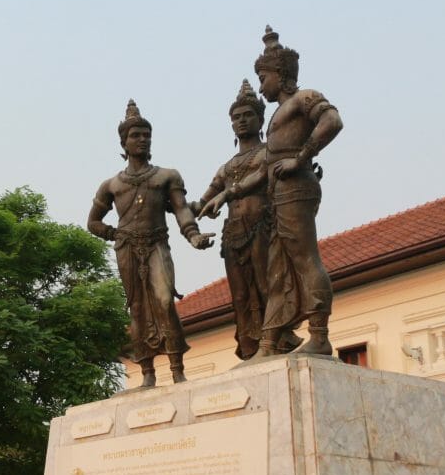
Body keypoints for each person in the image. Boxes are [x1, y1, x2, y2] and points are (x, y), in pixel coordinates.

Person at [88, 100, 215, 387]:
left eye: (146, 135)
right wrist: (113, 234)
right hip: (128, 249)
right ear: (124, 142)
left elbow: (181, 208)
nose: (142, 140)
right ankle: (146, 371)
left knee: (163, 300)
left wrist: (193, 235)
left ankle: (177, 367)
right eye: (136, 135)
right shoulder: (112, 185)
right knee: (137, 308)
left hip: (157, 244)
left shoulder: (166, 176)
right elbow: (92, 222)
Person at [249, 26, 343, 357]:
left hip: (296, 188)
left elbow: (332, 121)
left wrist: (300, 158)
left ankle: (319, 335)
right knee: (276, 269)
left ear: (281, 73)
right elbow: (262, 168)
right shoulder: (278, 113)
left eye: (264, 78)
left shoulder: (305, 98)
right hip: (278, 195)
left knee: (305, 259)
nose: (261, 87)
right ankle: (269, 342)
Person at [196, 80, 299, 359]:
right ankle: (249, 347)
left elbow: (263, 175)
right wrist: (177, 203)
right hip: (233, 233)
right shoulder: (227, 167)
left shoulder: (269, 151)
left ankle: (275, 341)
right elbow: (203, 201)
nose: (241, 121)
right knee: (240, 295)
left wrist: (229, 193)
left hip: (262, 225)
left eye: (247, 115)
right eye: (236, 117)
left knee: (268, 285)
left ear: (260, 118)